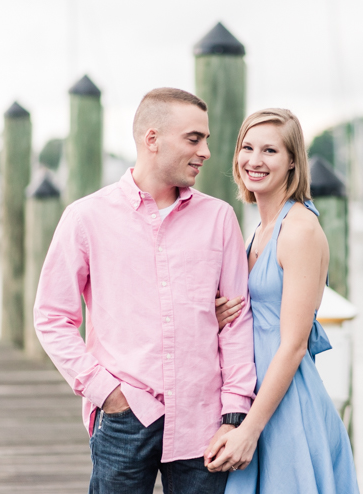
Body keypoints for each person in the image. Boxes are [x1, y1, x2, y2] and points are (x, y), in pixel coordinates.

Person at [34, 87, 256, 494]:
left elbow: (236, 321)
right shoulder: (85, 218)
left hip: (203, 423)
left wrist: (236, 410)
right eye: (194, 138)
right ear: (151, 139)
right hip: (124, 416)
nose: (206, 151)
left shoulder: (220, 218)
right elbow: (51, 317)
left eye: (206, 139)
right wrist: (107, 392)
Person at [205, 109, 360, 493]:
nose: (254, 161)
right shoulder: (260, 229)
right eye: (248, 147)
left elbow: (292, 344)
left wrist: (249, 430)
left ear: (293, 160)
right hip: (255, 399)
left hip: (286, 408)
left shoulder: (300, 230)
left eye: (270, 150)